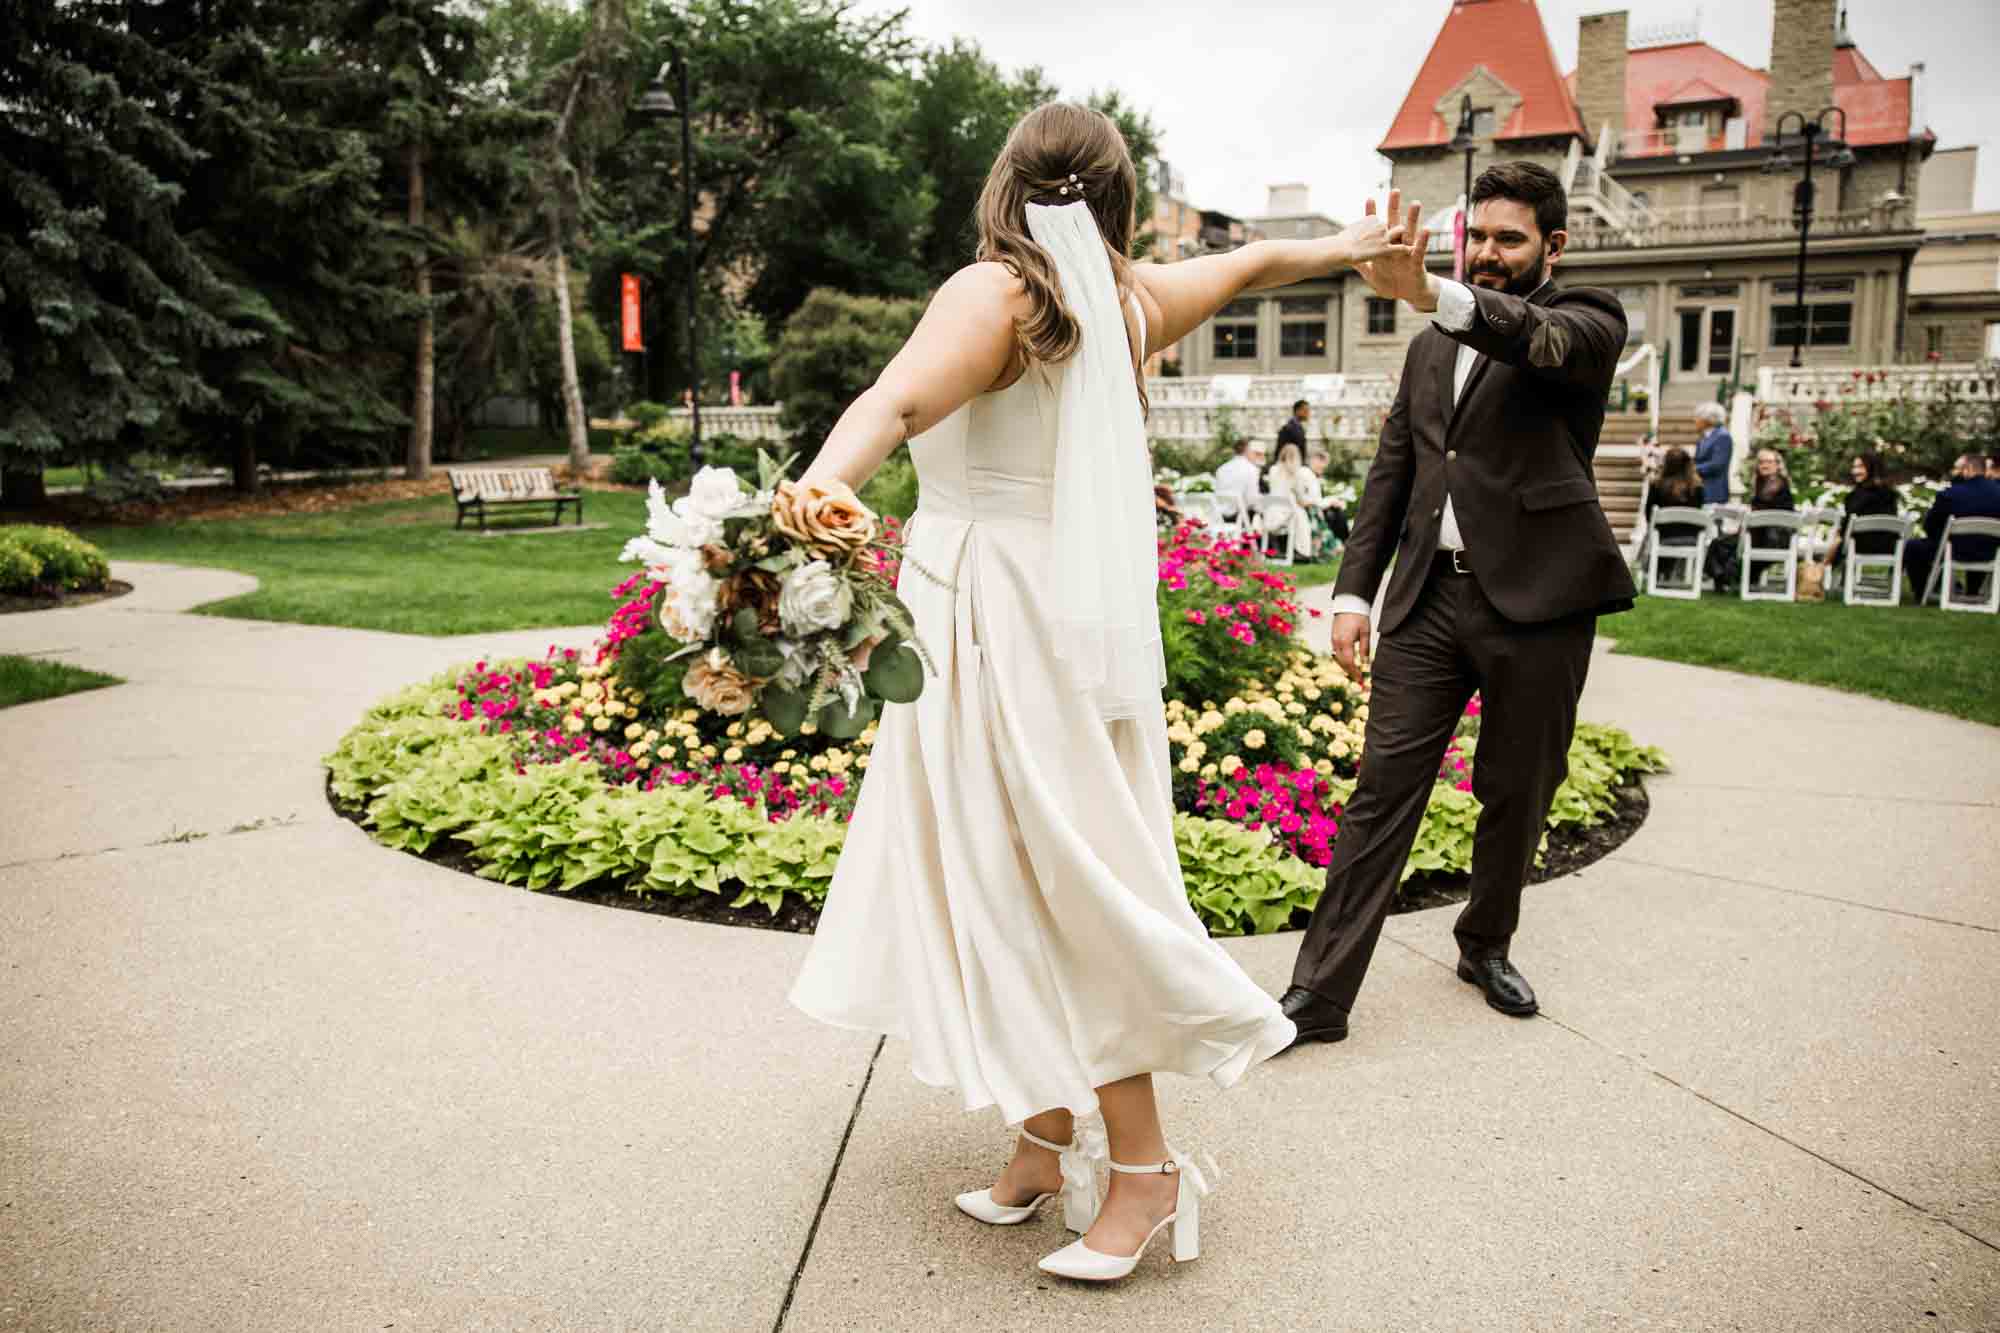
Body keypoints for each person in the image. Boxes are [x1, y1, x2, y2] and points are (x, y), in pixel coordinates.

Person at [788, 101, 1402, 1284]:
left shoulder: (993, 293)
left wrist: (821, 482)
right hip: (1040, 616)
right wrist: (1350, 252)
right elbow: (1261, 256)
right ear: (1114, 200)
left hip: (992, 621)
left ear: (1003, 187)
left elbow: (897, 402)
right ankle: (1040, 1131)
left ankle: (1146, 1170)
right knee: (1001, 868)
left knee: (1058, 878)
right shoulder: (1127, 301)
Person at [1279, 163, 1634, 1049]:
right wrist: (1352, 593)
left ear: (1553, 245)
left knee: (1517, 792)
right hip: (1428, 603)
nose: (1488, 252)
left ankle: (1486, 943)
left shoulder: (1587, 321)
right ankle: (1317, 996)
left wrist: (1433, 289)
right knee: (1380, 793)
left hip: (1541, 606)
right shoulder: (1429, 344)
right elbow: (1394, 471)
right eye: (1477, 236)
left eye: (1508, 238)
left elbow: (1534, 341)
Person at [1904, 452, 2000, 599]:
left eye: (1957, 468)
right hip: (1990, 552)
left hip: (1954, 551)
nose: (1954, 473)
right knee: (1982, 541)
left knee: (1913, 546)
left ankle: (1923, 592)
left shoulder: (1950, 494)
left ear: (1968, 469)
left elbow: (1930, 526)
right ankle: (1972, 592)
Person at [1816, 451, 1898, 579]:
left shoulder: (1856, 496)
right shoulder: (1890, 493)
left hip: (1861, 545)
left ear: (1871, 468)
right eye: (1854, 467)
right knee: (1841, 539)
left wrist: (1838, 536)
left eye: (1860, 467)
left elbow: (1849, 524)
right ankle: (1824, 569)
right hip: (1889, 546)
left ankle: (1820, 571)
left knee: (1840, 540)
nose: (1855, 471)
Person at [1262, 441, 1316, 558]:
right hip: (1285, 513)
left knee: (1298, 512)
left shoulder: (1273, 469)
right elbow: (1300, 498)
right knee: (1302, 515)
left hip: (1270, 511)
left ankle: (1282, 549)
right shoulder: (1297, 473)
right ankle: (1302, 552)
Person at [1304, 447, 1351, 553]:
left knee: (1338, 512)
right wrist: (1331, 502)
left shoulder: (1312, 475)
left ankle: (1344, 543)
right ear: (1315, 460)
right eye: (1323, 463)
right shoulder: (1307, 475)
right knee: (1338, 514)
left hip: (1315, 507)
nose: (1324, 467)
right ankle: (1345, 543)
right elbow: (1314, 501)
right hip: (1312, 511)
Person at [1213, 437, 1266, 526]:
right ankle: (1265, 539)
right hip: (1240, 517)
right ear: (1247, 450)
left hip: (1221, 516)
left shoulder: (1222, 468)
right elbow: (1252, 499)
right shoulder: (1251, 469)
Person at [1692, 402, 1733, 504]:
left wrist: (1692, 469)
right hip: (1702, 490)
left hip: (1714, 492)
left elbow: (1717, 465)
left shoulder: (1723, 436)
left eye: (1697, 417)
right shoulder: (1704, 437)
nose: (1694, 420)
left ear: (1708, 420)